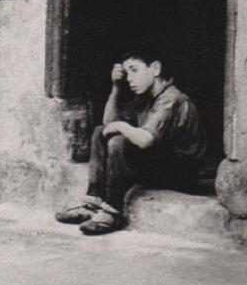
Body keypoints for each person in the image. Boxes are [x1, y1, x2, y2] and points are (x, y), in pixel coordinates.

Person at [56, 47, 206, 236]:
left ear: (155, 69)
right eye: (127, 73)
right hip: (161, 164)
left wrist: (121, 127)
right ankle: (92, 202)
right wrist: (116, 87)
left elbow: (144, 140)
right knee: (99, 132)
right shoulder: (145, 97)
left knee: (119, 141)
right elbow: (107, 123)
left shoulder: (172, 99)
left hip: (181, 173)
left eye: (134, 70)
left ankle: (113, 210)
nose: (129, 78)